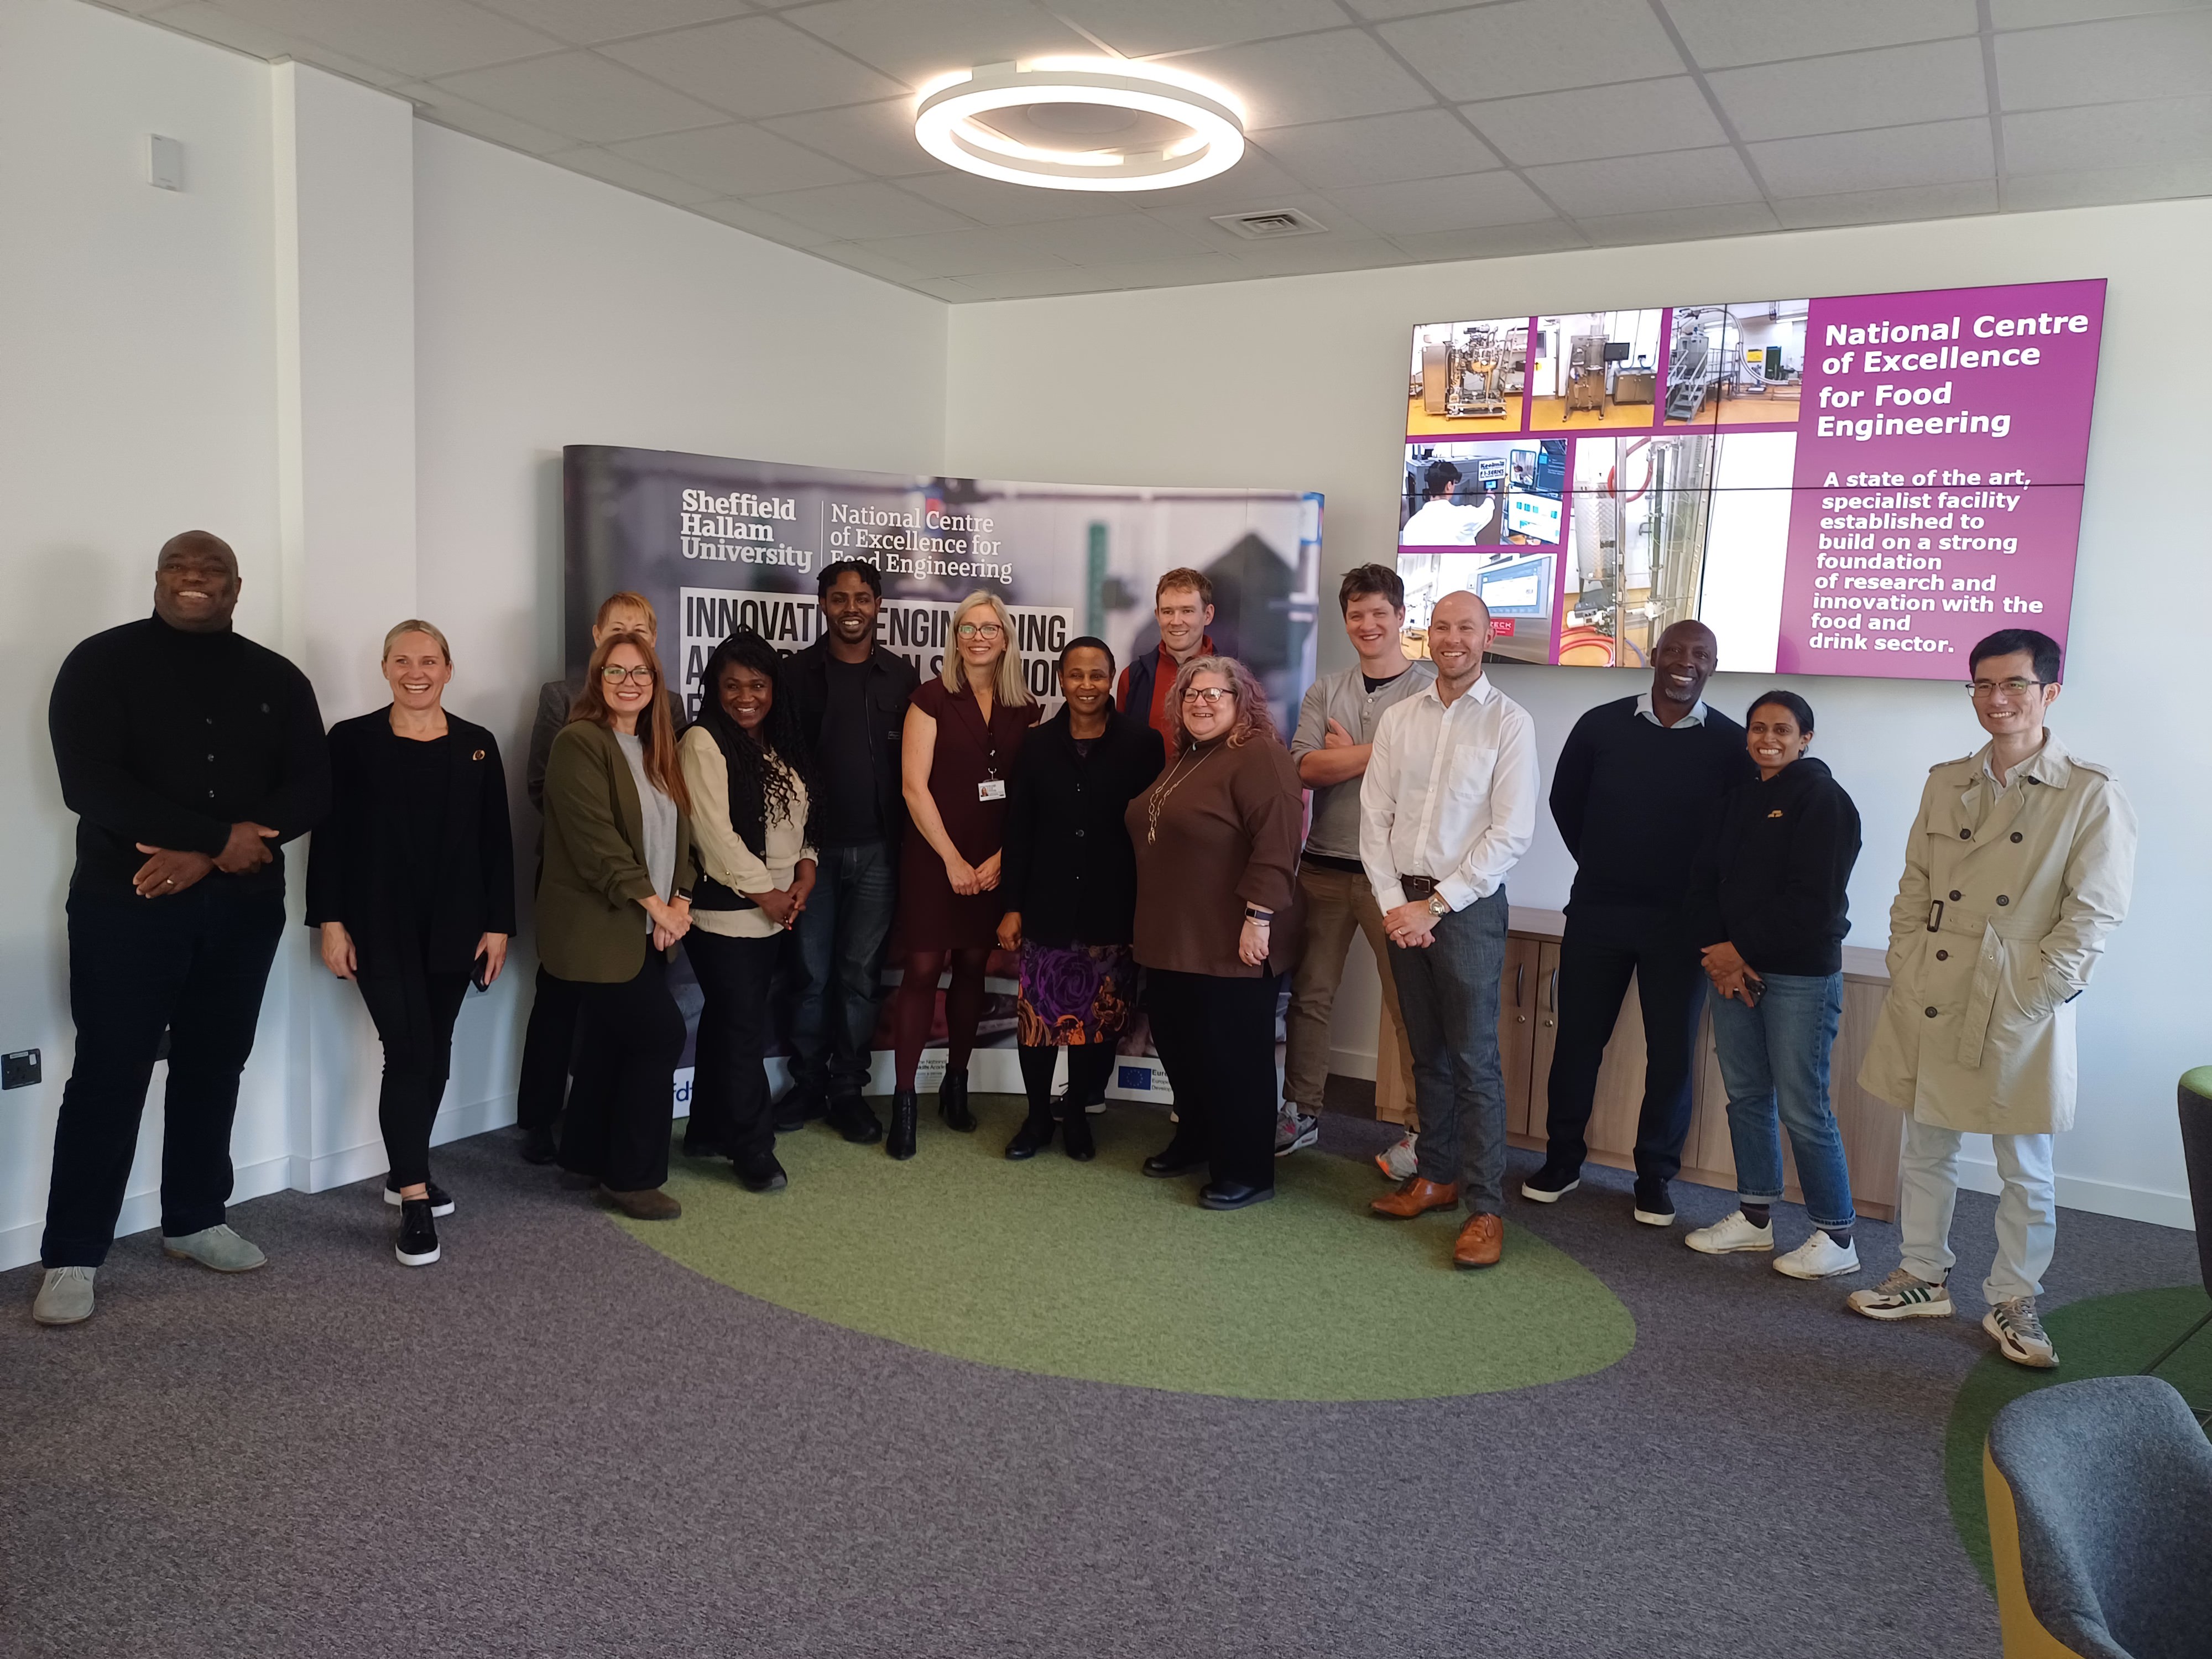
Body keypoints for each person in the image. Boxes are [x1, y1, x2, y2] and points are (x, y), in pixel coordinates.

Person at [34, 530, 330, 1327]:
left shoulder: (278, 678)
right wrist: (218, 839)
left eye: (213, 572)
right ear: (159, 578)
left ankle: (196, 1219)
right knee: (110, 1071)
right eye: (180, 568)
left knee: (213, 1063)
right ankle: (71, 1252)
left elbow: (314, 785)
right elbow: (87, 782)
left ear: (237, 586)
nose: (195, 580)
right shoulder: (99, 663)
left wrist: (218, 849)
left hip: (240, 909)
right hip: (124, 904)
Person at [1849, 629, 2136, 1369]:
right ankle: (1921, 1274)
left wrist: (2039, 991)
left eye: (2013, 685)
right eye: (1982, 685)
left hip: (2017, 996)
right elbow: (1913, 882)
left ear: (2049, 692)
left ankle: (2015, 1297)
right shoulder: (1947, 780)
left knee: (2025, 1164)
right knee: (1927, 1146)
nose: (1996, 700)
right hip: (1936, 986)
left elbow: (2094, 913)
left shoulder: (2089, 792)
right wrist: (1906, 957)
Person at [1522, 620, 1757, 1227]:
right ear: (1653, 656)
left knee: (1672, 1056)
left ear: (1712, 665)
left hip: (1683, 927)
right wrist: (1603, 864)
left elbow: (1737, 838)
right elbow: (1563, 803)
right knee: (1576, 1043)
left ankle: (1654, 1176)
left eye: (1699, 654)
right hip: (1599, 910)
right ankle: (1562, 1161)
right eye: (1675, 650)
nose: (1685, 662)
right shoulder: (1600, 726)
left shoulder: (1732, 745)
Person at [307, 620, 515, 1269]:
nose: (416, 671)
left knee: (437, 1048)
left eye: (429, 660)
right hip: (377, 923)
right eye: (403, 659)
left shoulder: (478, 746)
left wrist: (499, 924)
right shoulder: (351, 741)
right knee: (409, 1051)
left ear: (449, 670)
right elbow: (330, 837)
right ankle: (416, 1197)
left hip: (457, 924)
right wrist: (330, 923)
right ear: (385, 667)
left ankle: (405, 1170)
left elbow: (496, 843)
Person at [1360, 591, 1537, 1269]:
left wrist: (1432, 908)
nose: (1451, 638)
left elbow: (1510, 833)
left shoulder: (1510, 723)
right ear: (1425, 635)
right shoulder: (1402, 718)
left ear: (1488, 636)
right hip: (1398, 907)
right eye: (1441, 626)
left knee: (1474, 1062)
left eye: (1466, 627)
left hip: (1463, 912)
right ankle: (1434, 1176)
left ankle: (1485, 1209)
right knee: (1426, 1055)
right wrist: (1391, 905)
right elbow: (1373, 819)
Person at [1682, 691, 1864, 1280]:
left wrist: (1741, 952)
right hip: (1731, 971)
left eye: (1782, 729)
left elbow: (1813, 902)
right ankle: (1754, 1219)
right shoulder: (1736, 801)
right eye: (1758, 728)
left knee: (1804, 1105)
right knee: (1747, 1096)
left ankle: (1836, 1235)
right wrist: (1720, 956)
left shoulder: (1825, 801)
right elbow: (1703, 882)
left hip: (1799, 977)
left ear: (1805, 737)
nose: (1768, 738)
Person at [1127, 656, 1303, 1210]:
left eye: (1214, 694)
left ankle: (1247, 1170)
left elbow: (1278, 842)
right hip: (1171, 937)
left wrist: (1259, 918)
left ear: (1240, 700)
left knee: (1235, 1058)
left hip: (1232, 939)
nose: (1200, 703)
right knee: (1182, 1051)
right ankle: (1197, 1139)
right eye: (1190, 695)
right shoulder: (1188, 757)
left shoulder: (1259, 757)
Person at [539, 629, 694, 1220]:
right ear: (597, 681)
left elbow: (682, 837)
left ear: (655, 686)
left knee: (609, 1041)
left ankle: (582, 1157)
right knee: (659, 1037)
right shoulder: (579, 743)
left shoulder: (659, 750)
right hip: (595, 930)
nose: (629, 683)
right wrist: (655, 907)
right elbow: (596, 845)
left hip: (648, 928)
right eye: (616, 672)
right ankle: (631, 1178)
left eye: (641, 674)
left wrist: (678, 901)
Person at [1282, 564, 1433, 1167]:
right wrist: (1380, 755)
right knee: (1309, 997)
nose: (1367, 625)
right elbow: (1304, 769)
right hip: (1321, 867)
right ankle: (1301, 1112)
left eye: (1379, 614)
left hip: (1392, 879)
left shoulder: (1427, 691)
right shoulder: (1326, 689)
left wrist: (1348, 754)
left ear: (1400, 617)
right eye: (1356, 615)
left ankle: (1422, 1133)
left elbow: (1423, 777)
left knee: (1407, 1006)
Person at [517, 591, 671, 1165]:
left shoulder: (668, 707)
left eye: (640, 632)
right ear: (596, 638)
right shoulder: (563, 701)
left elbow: (671, 801)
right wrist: (619, 855)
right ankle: (538, 1120)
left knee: (621, 1022)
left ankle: (586, 1138)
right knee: (559, 1002)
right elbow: (543, 788)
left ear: (652, 643)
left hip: (645, 894)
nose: (627, 643)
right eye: (616, 632)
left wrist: (660, 891)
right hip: (580, 884)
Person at [995, 637, 1164, 1161]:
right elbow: (1019, 830)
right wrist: (1011, 904)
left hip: (1113, 908)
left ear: (1112, 678)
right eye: (1076, 675)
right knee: (1038, 1023)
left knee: (1100, 1025)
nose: (1086, 685)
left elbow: (1154, 834)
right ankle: (1038, 1117)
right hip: (1046, 904)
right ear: (1061, 680)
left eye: (1097, 675)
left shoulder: (1143, 744)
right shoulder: (1037, 744)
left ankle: (1078, 1116)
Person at [886, 591, 1039, 1159]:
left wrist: (1001, 860)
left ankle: (957, 1084)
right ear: (955, 638)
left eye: (989, 627)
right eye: (967, 627)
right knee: (924, 968)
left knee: (975, 963)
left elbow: (1026, 795)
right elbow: (912, 786)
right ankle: (904, 1102)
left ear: (1005, 638)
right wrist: (952, 860)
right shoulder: (929, 699)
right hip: (934, 854)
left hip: (997, 857)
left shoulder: (1027, 707)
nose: (978, 637)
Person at [779, 560, 917, 1145]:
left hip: (879, 853)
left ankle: (848, 1091)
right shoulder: (792, 675)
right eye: (839, 599)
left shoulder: (900, 676)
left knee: (860, 977)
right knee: (810, 977)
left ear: (878, 604)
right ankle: (806, 1084)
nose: (851, 608)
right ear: (823, 605)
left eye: (862, 598)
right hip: (809, 854)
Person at [678, 629, 815, 1194]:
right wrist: (768, 895)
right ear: (714, 688)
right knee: (741, 1028)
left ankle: (707, 1129)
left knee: (728, 1020)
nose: (745, 696)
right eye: (731, 685)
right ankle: (751, 1146)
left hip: (778, 910)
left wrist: (805, 871)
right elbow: (714, 836)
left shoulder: (779, 743)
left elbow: (800, 821)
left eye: (757, 684)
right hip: (726, 915)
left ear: (773, 689)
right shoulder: (703, 742)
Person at [1116, 567, 1217, 748]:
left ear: (1207, 615)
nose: (1176, 621)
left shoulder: (1233, 679)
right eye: (1168, 612)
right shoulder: (1132, 678)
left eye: (1187, 611)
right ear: (1158, 615)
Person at [1399, 461, 1495, 546]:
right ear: (1449, 486)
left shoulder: (1411, 527)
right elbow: (1486, 513)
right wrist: (1490, 497)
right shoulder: (1465, 516)